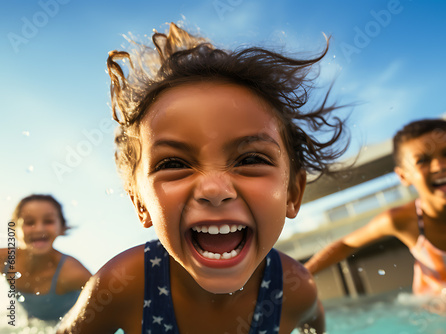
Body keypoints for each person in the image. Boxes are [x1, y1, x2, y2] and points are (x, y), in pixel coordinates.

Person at [57, 22, 349, 334]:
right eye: (173, 163)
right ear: (140, 202)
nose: (213, 188)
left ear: (293, 192)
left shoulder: (295, 290)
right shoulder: (121, 286)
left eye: (251, 159)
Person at [306, 119, 446, 299]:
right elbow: (345, 245)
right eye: (422, 160)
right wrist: (300, 275)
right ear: (404, 176)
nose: (439, 166)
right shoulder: (402, 220)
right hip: (441, 309)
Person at [1, 194, 91, 322]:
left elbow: (110, 304)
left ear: (62, 228)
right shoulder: (5, 259)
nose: (39, 228)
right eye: (29, 222)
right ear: (14, 229)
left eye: (48, 221)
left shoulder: (71, 272)